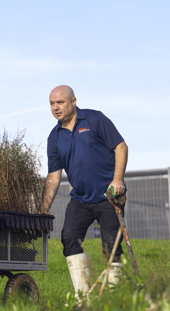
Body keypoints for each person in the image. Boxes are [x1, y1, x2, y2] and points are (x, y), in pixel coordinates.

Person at [39, 85, 128, 298]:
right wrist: (42, 209)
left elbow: (121, 147)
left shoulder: (95, 120)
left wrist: (117, 179)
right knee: (69, 238)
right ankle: (84, 298)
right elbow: (53, 176)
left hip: (108, 196)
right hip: (79, 199)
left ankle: (113, 299)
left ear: (73, 101)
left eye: (60, 102)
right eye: (52, 103)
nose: (55, 107)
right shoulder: (54, 137)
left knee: (110, 245)